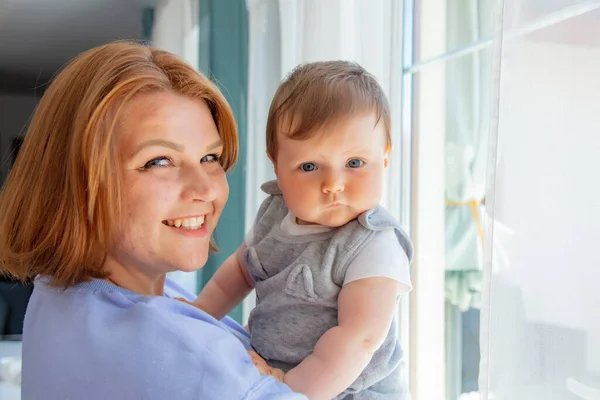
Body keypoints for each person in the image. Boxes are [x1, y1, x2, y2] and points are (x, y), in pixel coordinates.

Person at [0, 41, 306, 400]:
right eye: (159, 161)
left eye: (211, 156)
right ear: (77, 182)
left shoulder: (58, 294)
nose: (206, 189)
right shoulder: (181, 357)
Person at [192, 61, 414, 399]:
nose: (333, 184)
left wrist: (289, 388)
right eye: (309, 166)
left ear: (384, 158)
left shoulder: (374, 244)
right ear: (278, 168)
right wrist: (197, 317)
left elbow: (358, 337)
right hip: (272, 370)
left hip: (345, 389)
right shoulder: (275, 213)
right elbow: (238, 271)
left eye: (354, 163)